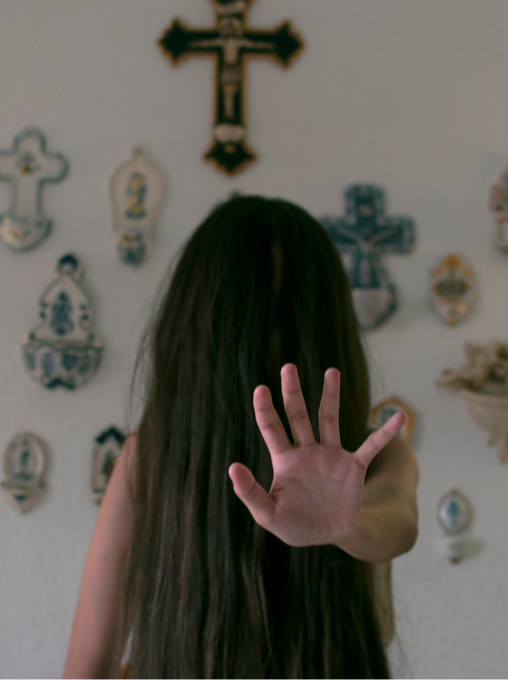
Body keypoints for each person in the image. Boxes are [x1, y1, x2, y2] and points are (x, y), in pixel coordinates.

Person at [63, 194, 420, 678]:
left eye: (284, 315)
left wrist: (346, 525)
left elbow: (398, 522)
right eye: (250, 314)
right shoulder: (147, 458)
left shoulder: (368, 455)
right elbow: (87, 671)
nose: (267, 337)